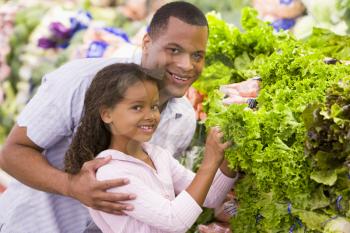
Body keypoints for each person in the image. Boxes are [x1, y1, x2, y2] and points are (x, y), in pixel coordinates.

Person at [0, 2, 214, 232]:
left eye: (197, 55)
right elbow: (12, 153)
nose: (186, 65)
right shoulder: (80, 81)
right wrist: (71, 186)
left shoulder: (183, 119)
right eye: (174, 50)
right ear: (147, 43)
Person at [64, 63, 236, 232]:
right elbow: (174, 221)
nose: (151, 115)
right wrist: (210, 160)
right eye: (137, 107)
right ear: (107, 114)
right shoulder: (109, 173)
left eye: (154, 106)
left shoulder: (157, 155)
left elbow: (211, 197)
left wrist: (229, 154)